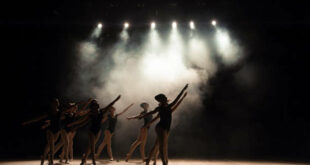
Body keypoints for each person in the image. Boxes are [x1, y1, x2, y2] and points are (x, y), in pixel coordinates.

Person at [139, 84, 188, 165]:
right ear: (162, 100)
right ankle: (163, 163)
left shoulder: (169, 106)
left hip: (166, 128)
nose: (166, 98)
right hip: (161, 128)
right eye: (164, 97)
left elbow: (177, 99)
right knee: (161, 146)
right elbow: (151, 112)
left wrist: (183, 90)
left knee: (156, 145)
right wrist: (142, 116)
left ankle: (148, 161)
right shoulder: (160, 108)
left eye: (165, 97)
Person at [67, 95, 121, 165]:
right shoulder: (91, 114)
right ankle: (93, 161)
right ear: (92, 107)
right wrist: (74, 125)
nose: (95, 107)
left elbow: (109, 105)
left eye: (96, 105)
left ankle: (84, 159)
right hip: (91, 131)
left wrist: (115, 100)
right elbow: (82, 121)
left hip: (98, 131)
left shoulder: (101, 111)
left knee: (90, 147)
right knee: (92, 146)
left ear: (97, 106)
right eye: (93, 105)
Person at [22, 98, 73, 165]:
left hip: (57, 131)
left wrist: (71, 111)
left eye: (57, 103)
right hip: (50, 130)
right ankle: (51, 161)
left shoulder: (60, 112)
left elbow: (68, 111)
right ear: (51, 104)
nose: (56, 104)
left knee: (49, 145)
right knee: (51, 146)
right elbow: (38, 118)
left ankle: (44, 156)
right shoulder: (49, 112)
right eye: (55, 103)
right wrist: (27, 122)